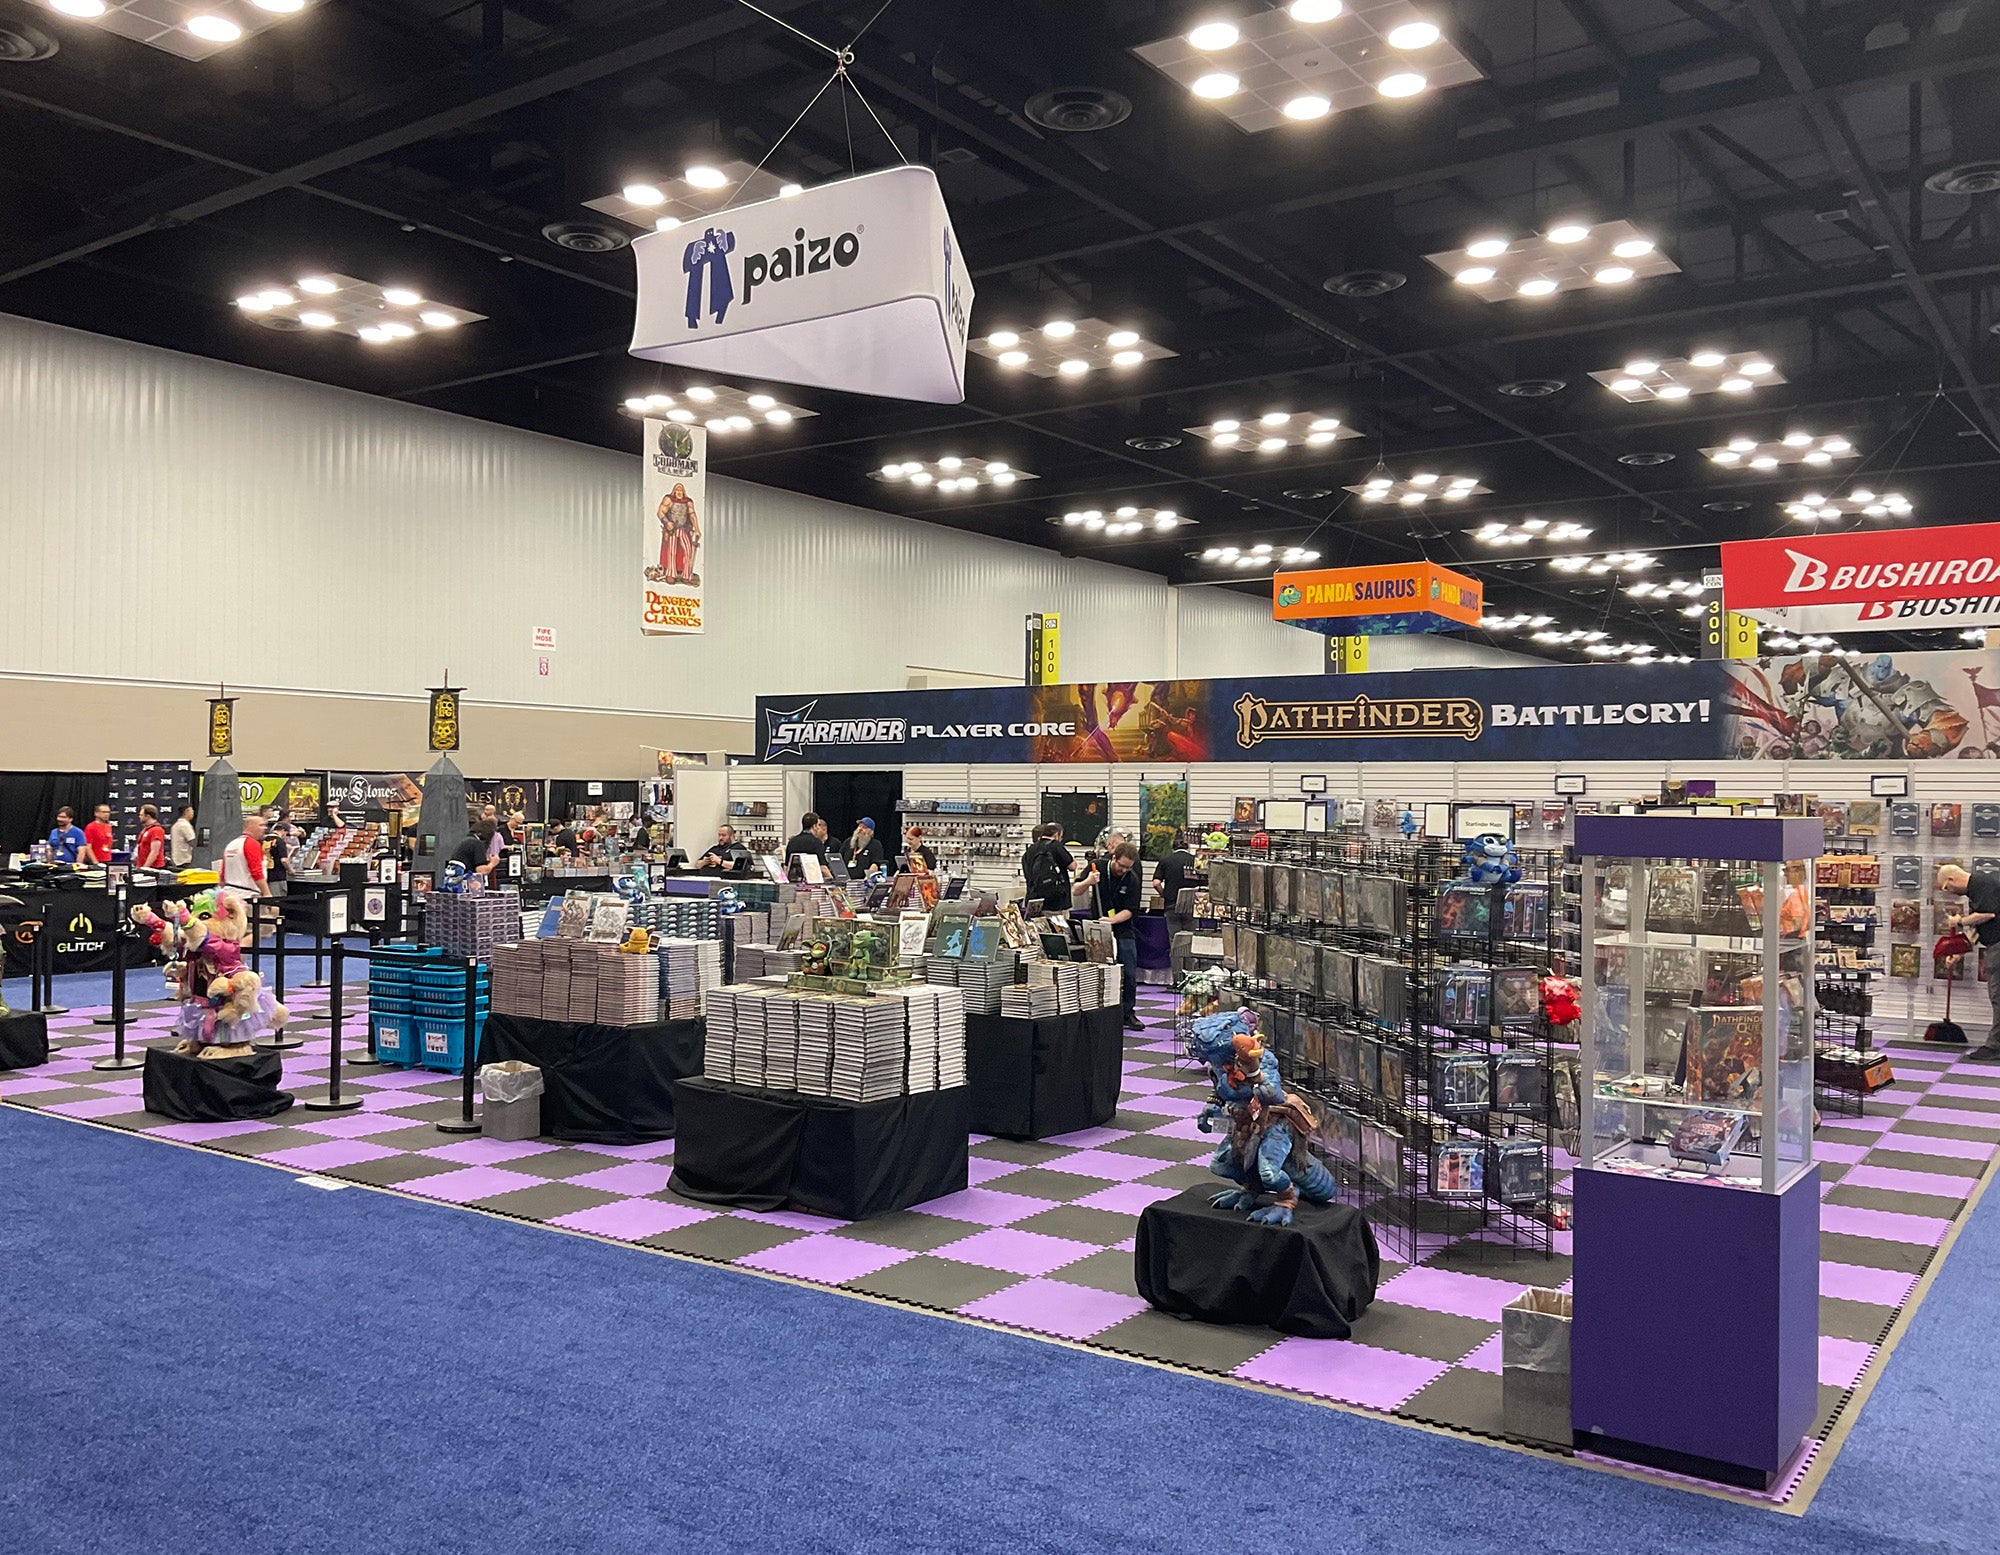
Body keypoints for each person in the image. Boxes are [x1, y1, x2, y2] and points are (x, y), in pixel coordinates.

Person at [1939, 862, 2000, 1061]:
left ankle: (1995, 1046)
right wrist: (1958, 951)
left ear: (1951, 879)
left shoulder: (1983, 884)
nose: (1949, 892)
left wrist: (1958, 921)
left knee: (1998, 997)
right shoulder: (1977, 890)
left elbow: (1987, 915)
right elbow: (1980, 928)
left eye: (1946, 887)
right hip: (1994, 946)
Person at [1097, 841, 1144, 1030]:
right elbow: (1076, 889)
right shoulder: (1099, 867)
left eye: (1128, 867)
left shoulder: (1132, 878)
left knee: (1129, 972)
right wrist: (1088, 881)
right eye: (1121, 865)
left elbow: (1130, 910)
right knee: (1101, 972)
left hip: (1123, 928)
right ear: (1113, 858)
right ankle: (1102, 1014)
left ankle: (1128, 1013)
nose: (1124, 870)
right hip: (1098, 928)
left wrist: (1111, 920)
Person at [1021, 823, 1073, 916]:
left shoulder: (1029, 851)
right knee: (1058, 929)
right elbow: (1072, 866)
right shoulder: (1056, 846)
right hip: (1055, 902)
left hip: (1034, 901)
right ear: (1056, 835)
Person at [220, 814, 268, 901]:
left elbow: (222, 874)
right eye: (261, 825)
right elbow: (256, 872)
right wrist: (267, 893)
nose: (265, 828)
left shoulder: (232, 844)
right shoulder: (252, 844)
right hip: (247, 896)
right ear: (250, 826)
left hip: (228, 894)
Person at [1153, 833, 1198, 917]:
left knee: (1174, 929)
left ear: (1173, 848)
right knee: (1191, 929)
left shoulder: (1165, 860)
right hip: (1191, 903)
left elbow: (1156, 883)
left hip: (1171, 902)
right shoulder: (1195, 860)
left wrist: (1163, 894)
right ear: (1187, 848)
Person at [133, 805, 167, 870]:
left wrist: (145, 868)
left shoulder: (156, 830)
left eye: (141, 815)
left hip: (153, 868)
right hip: (142, 866)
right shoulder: (146, 829)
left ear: (148, 816)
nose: (139, 817)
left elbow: (154, 852)